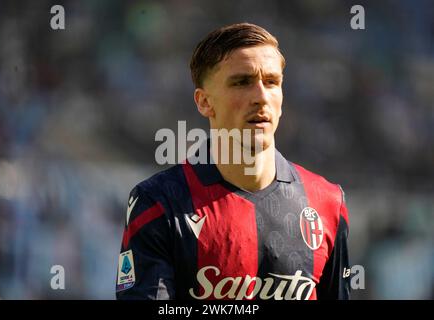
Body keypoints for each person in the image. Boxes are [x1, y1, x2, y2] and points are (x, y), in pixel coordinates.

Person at [115, 23, 351, 300]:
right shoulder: (159, 202)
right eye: (242, 82)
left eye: (272, 82)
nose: (261, 97)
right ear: (204, 102)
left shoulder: (328, 203)